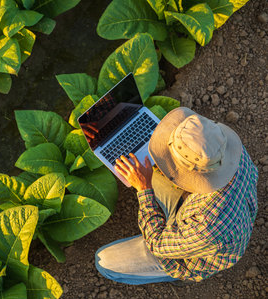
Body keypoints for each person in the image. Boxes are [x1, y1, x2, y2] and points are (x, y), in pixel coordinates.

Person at [95, 107, 258, 284]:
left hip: (190, 257)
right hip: (203, 210)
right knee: (145, 165)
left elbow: (157, 244)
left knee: (103, 261)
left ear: (195, 176)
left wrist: (144, 189)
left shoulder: (207, 227)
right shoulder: (227, 151)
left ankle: (175, 276)